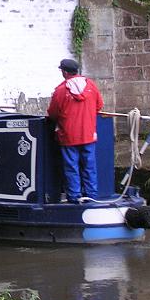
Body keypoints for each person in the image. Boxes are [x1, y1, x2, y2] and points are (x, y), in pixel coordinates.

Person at [47, 58, 104, 203]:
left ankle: (74, 196)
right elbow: (99, 106)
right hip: (88, 133)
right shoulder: (91, 86)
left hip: (69, 135)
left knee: (71, 167)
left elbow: (52, 113)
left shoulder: (61, 91)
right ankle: (91, 195)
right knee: (89, 165)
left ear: (65, 72)